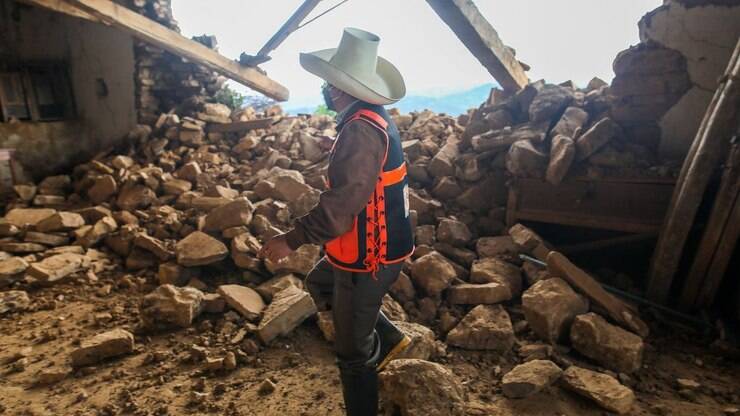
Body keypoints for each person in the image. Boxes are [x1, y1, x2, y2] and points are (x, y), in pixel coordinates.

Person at [258, 28, 414, 415]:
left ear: (343, 88)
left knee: (351, 354)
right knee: (319, 281)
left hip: (370, 255)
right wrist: (340, 151)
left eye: (330, 82)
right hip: (376, 243)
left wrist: (290, 240)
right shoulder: (367, 119)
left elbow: (340, 209)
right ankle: (388, 337)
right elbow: (366, 173)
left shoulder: (360, 129)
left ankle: (364, 374)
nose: (326, 88)